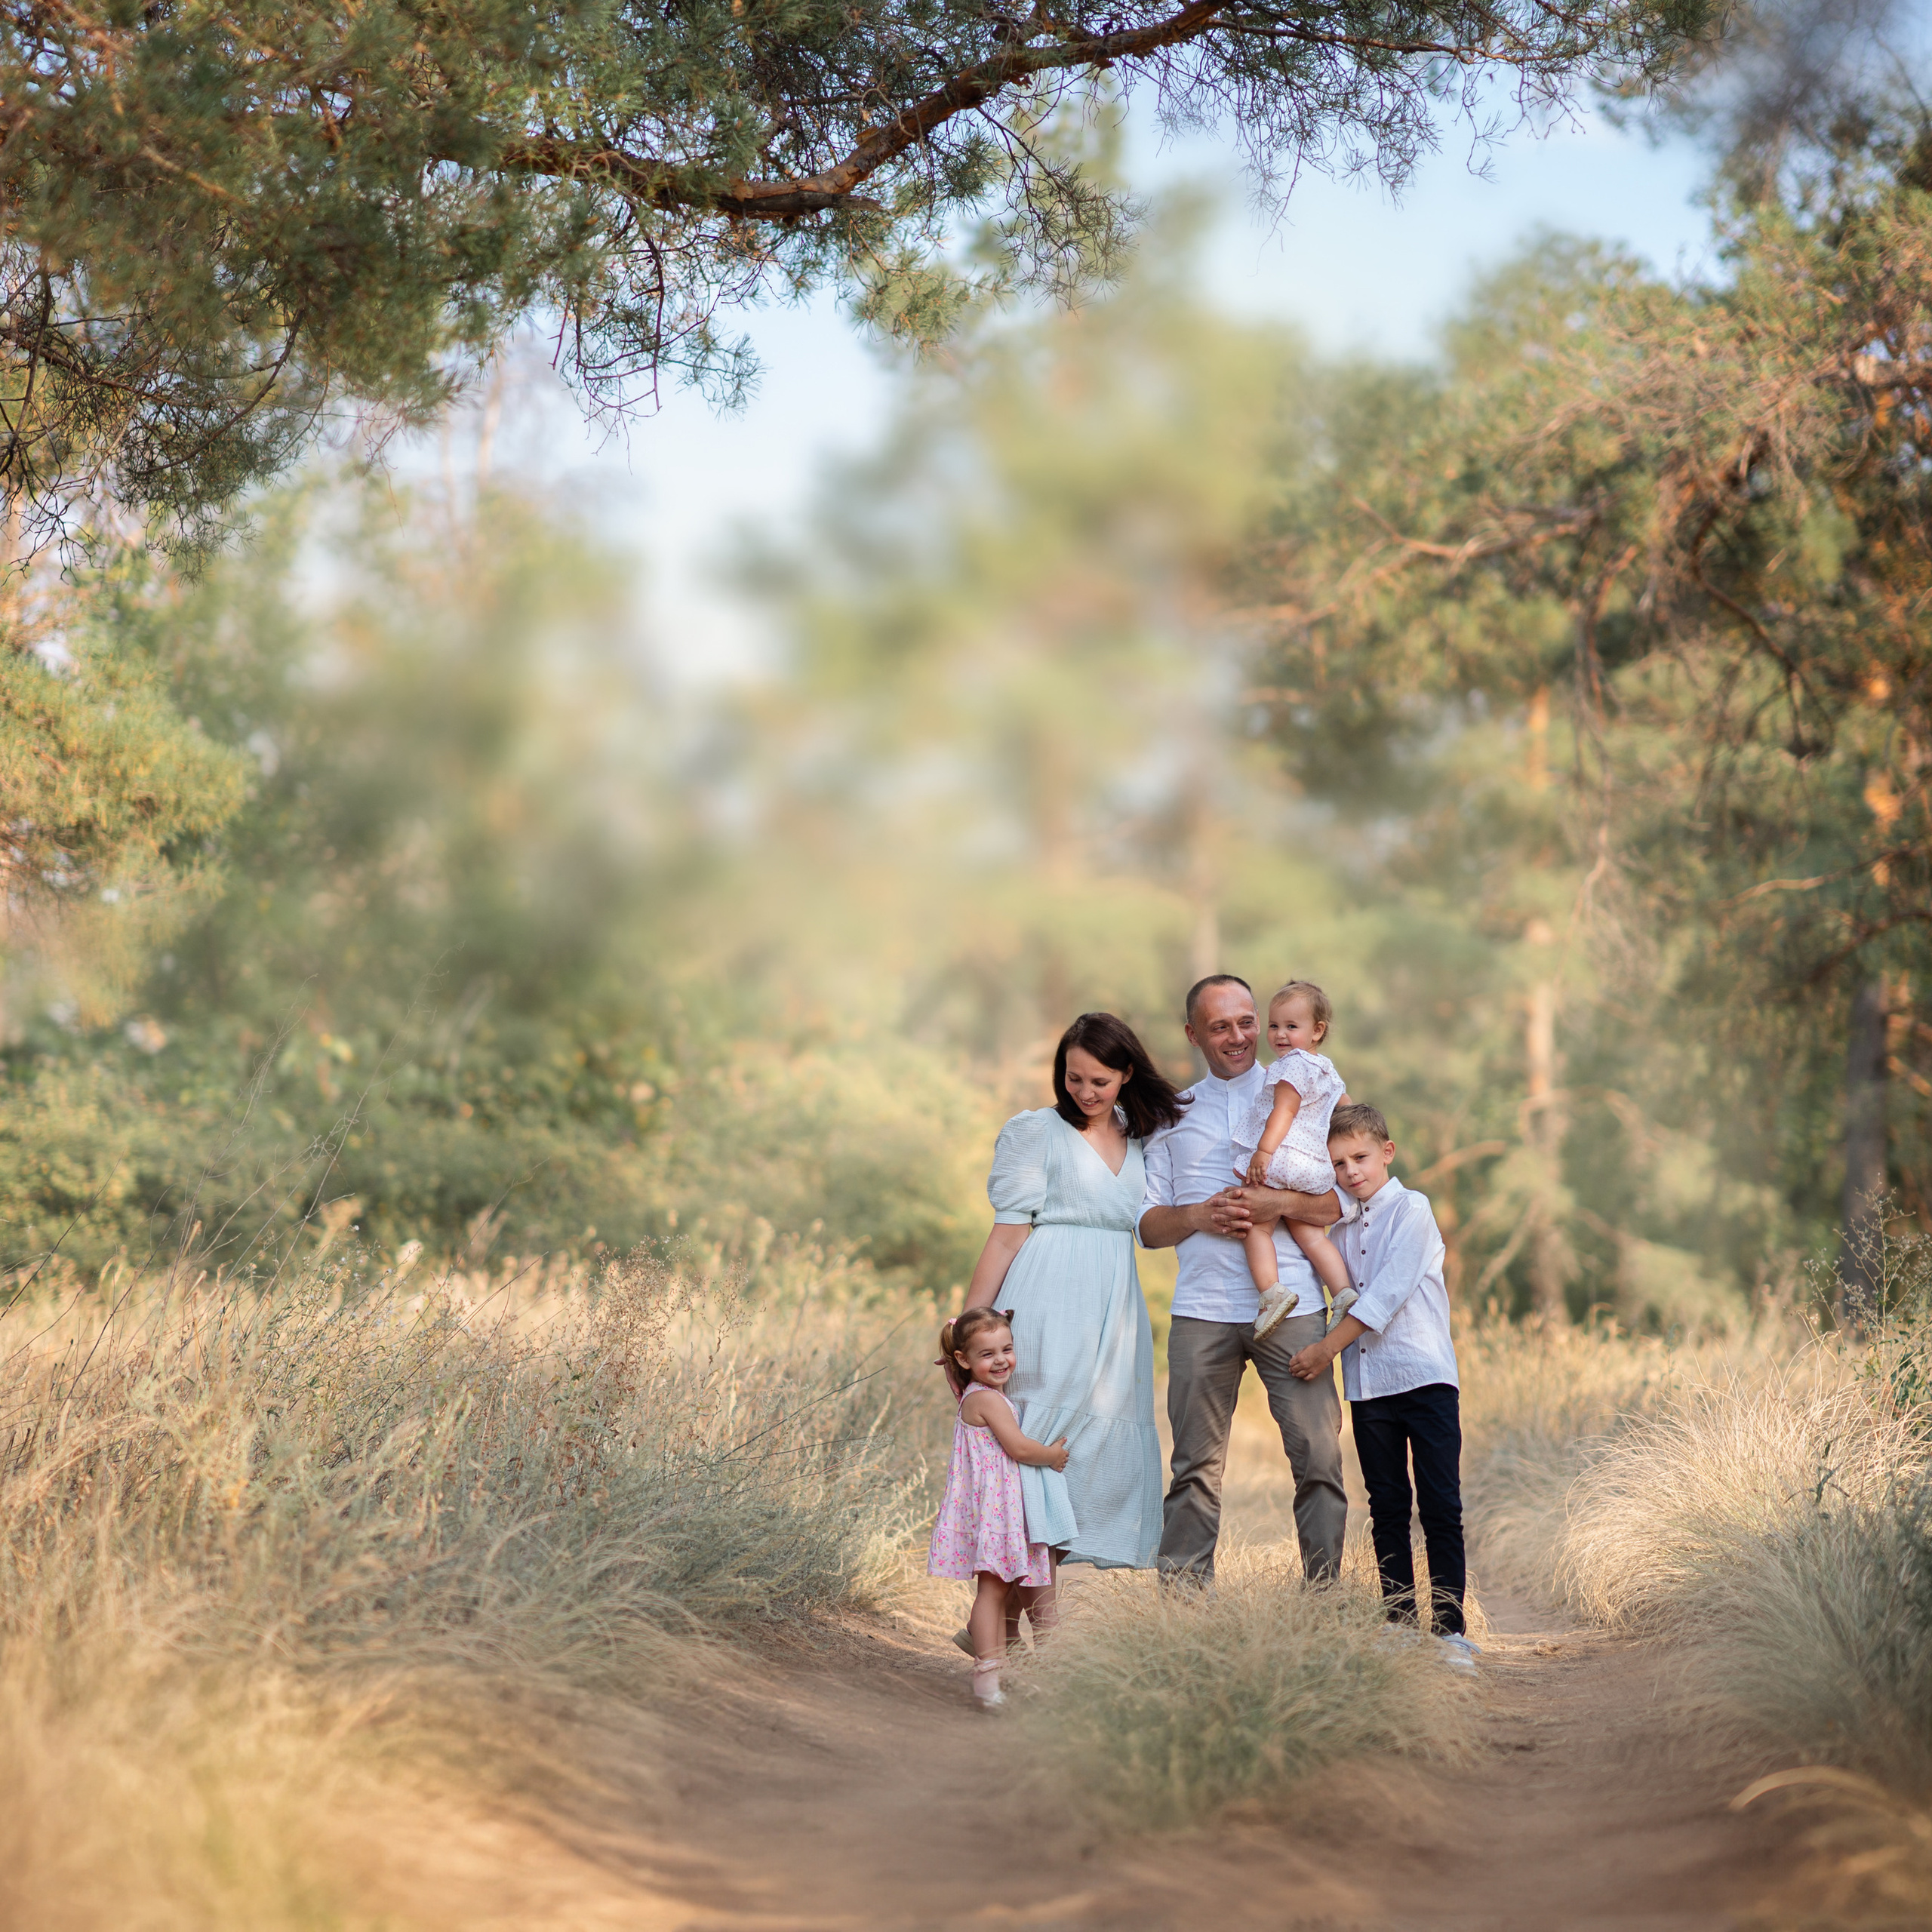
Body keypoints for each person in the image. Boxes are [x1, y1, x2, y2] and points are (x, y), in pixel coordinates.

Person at [1139, 974, 1347, 1584]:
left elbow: (1342, 1203)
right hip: (1202, 1310)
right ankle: (1182, 1609)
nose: (1239, 1037)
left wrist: (1275, 1206)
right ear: (1193, 1035)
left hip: (1295, 1306)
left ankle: (1325, 1604)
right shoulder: (1169, 1116)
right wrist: (1202, 1215)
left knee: (1319, 1458)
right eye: (1220, 1026)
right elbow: (1148, 1228)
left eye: (1247, 1021)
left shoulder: (1308, 1088)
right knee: (1194, 1469)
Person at [961, 1011, 1183, 1572]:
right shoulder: (1038, 1132)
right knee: (1036, 1441)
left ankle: (1011, 1620)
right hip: (1046, 1294)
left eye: (1099, 1081)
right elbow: (1007, 1238)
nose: (1084, 1091)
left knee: (1088, 1455)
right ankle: (1000, 1617)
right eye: (1073, 1077)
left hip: (1114, 1307)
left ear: (1127, 1073)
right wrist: (969, 1325)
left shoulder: (1143, 1133)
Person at [1287, 1103, 1478, 1672]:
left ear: (1387, 1153)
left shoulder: (1412, 1210)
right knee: (1388, 1506)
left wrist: (1324, 1349)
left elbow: (1382, 1299)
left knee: (1440, 1504)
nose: (1350, 1172)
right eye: (1338, 1163)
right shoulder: (1339, 1228)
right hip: (1369, 1388)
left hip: (1424, 1378)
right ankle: (1398, 1622)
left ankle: (1449, 1633)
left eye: (1360, 1158)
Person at [927, 1307, 1074, 1709]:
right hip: (996, 1515)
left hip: (1007, 1513)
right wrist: (1053, 1456)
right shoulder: (985, 1401)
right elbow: (1019, 1448)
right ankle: (987, 1677)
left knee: (1007, 1589)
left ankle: (1009, 1672)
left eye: (1007, 1349)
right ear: (964, 1360)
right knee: (992, 1590)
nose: (1001, 1360)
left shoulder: (984, 1396)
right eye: (987, 1354)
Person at [1234, 980, 1358, 1339]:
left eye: (1292, 1026)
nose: (1280, 1035)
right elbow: (1346, 1108)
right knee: (1313, 1236)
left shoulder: (1290, 1066)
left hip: (1282, 1158)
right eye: (1274, 1026)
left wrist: (1264, 1152)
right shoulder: (1327, 1069)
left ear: (1317, 1031)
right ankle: (1344, 1294)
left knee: (1257, 1226)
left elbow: (1283, 1112)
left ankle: (1272, 1291)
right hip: (1314, 1166)